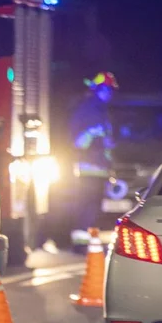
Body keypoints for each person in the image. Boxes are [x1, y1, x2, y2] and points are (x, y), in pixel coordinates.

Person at [69, 71, 118, 244]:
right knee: (86, 208)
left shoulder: (101, 110)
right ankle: (81, 243)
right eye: (108, 89)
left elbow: (106, 144)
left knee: (93, 208)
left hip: (100, 170)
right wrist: (92, 133)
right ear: (99, 89)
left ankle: (87, 241)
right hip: (89, 169)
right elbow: (78, 142)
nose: (110, 93)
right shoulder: (88, 110)